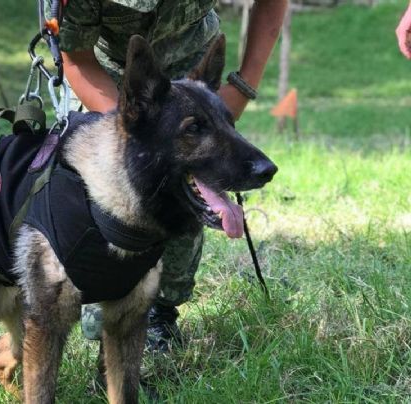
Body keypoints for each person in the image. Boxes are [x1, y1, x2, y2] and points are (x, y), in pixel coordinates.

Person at [50, 0, 288, 351]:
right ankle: (100, 309)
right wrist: (133, 125)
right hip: (110, 79)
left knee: (186, 191)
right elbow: (77, 59)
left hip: (193, 63)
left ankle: (159, 313)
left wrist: (241, 87)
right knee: (111, 201)